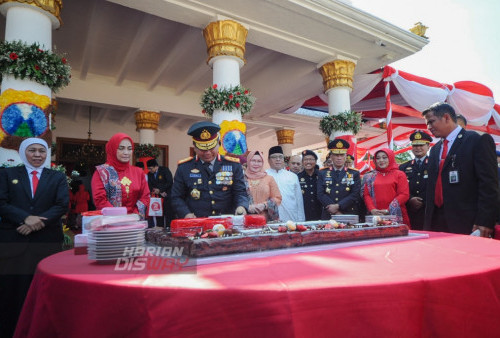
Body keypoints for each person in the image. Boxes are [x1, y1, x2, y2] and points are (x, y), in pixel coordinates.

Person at [0, 138, 69, 337]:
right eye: (32, 150)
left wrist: (36, 223)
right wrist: (25, 218)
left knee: (43, 290)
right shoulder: (7, 174)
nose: (38, 154)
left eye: (42, 150)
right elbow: (2, 202)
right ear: (23, 153)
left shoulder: (56, 177)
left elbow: (61, 204)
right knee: (11, 292)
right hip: (13, 243)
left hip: (45, 242)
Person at [422, 102, 499, 236]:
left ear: (446, 117)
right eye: (427, 123)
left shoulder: (476, 141)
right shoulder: (434, 150)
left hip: (467, 221)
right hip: (436, 221)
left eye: (431, 122)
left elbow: (489, 185)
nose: (429, 127)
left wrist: (485, 220)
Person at [171, 121, 248, 218]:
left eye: (211, 148)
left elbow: (240, 192)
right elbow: (176, 197)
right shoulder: (184, 167)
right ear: (194, 147)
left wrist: (241, 206)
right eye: (202, 149)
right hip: (197, 222)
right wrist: (186, 213)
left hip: (226, 221)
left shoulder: (233, 165)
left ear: (218, 144)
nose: (207, 153)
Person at [91, 133, 150, 219]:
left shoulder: (138, 172)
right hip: (110, 223)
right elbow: (100, 200)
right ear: (112, 149)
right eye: (121, 148)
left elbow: (145, 196)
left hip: (134, 222)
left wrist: (134, 214)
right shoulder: (102, 172)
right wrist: (119, 217)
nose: (126, 152)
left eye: (129, 149)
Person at [362, 148, 410, 225]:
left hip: (396, 214)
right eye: (378, 158)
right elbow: (366, 194)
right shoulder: (370, 176)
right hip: (375, 215)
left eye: (384, 157)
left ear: (390, 158)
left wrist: (388, 209)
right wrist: (372, 209)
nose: (381, 160)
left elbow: (404, 194)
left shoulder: (399, 174)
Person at [317, 139, 360, 219]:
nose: (339, 158)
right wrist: (335, 211)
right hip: (328, 213)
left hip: (348, 212)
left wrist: (338, 206)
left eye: (342, 155)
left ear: (346, 156)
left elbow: (355, 194)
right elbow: (320, 194)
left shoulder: (354, 173)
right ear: (331, 156)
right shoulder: (322, 173)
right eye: (336, 155)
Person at [399, 130, 432, 230]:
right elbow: (400, 189)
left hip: (428, 210)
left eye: (421, 145)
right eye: (415, 145)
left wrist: (423, 201)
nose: (418, 148)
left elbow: (437, 186)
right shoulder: (404, 167)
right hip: (410, 210)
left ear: (428, 146)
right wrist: (410, 199)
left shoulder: (434, 164)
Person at [266, 146, 305, 222]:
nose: (278, 159)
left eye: (280, 157)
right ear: (268, 160)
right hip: (271, 220)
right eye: (274, 157)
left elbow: (299, 201)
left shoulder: (292, 176)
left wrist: (301, 220)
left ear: (283, 159)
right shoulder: (264, 175)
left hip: (291, 218)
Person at [245, 151, 282, 221]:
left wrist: (265, 205)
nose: (256, 164)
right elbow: (237, 197)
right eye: (253, 161)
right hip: (246, 219)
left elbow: (278, 198)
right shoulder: (242, 179)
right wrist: (246, 206)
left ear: (262, 163)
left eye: (259, 161)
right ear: (248, 162)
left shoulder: (269, 179)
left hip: (266, 219)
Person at [147, 159, 174, 227]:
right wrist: (155, 190)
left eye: (151, 168)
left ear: (156, 166)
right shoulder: (149, 174)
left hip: (167, 196)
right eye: (148, 169)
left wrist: (160, 190)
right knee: (159, 215)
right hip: (157, 198)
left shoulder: (164, 170)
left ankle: (169, 229)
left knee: (168, 215)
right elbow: (149, 185)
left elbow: (169, 182)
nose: (150, 170)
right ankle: (160, 230)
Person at [298, 150, 323, 221]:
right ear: (302, 162)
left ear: (315, 161)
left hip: (321, 213)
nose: (308, 162)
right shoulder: (298, 177)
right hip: (305, 214)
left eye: (311, 159)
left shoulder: (322, 175)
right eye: (305, 159)